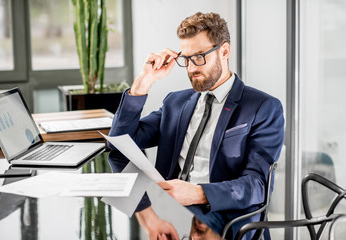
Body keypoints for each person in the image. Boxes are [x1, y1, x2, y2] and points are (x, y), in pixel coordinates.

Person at [108, 12, 284, 240]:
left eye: (199, 57)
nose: (191, 68)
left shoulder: (263, 107)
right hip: (170, 207)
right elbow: (121, 142)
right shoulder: (176, 102)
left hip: (223, 215)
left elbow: (257, 185)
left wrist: (199, 194)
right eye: (187, 58)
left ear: (224, 51)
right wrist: (143, 82)